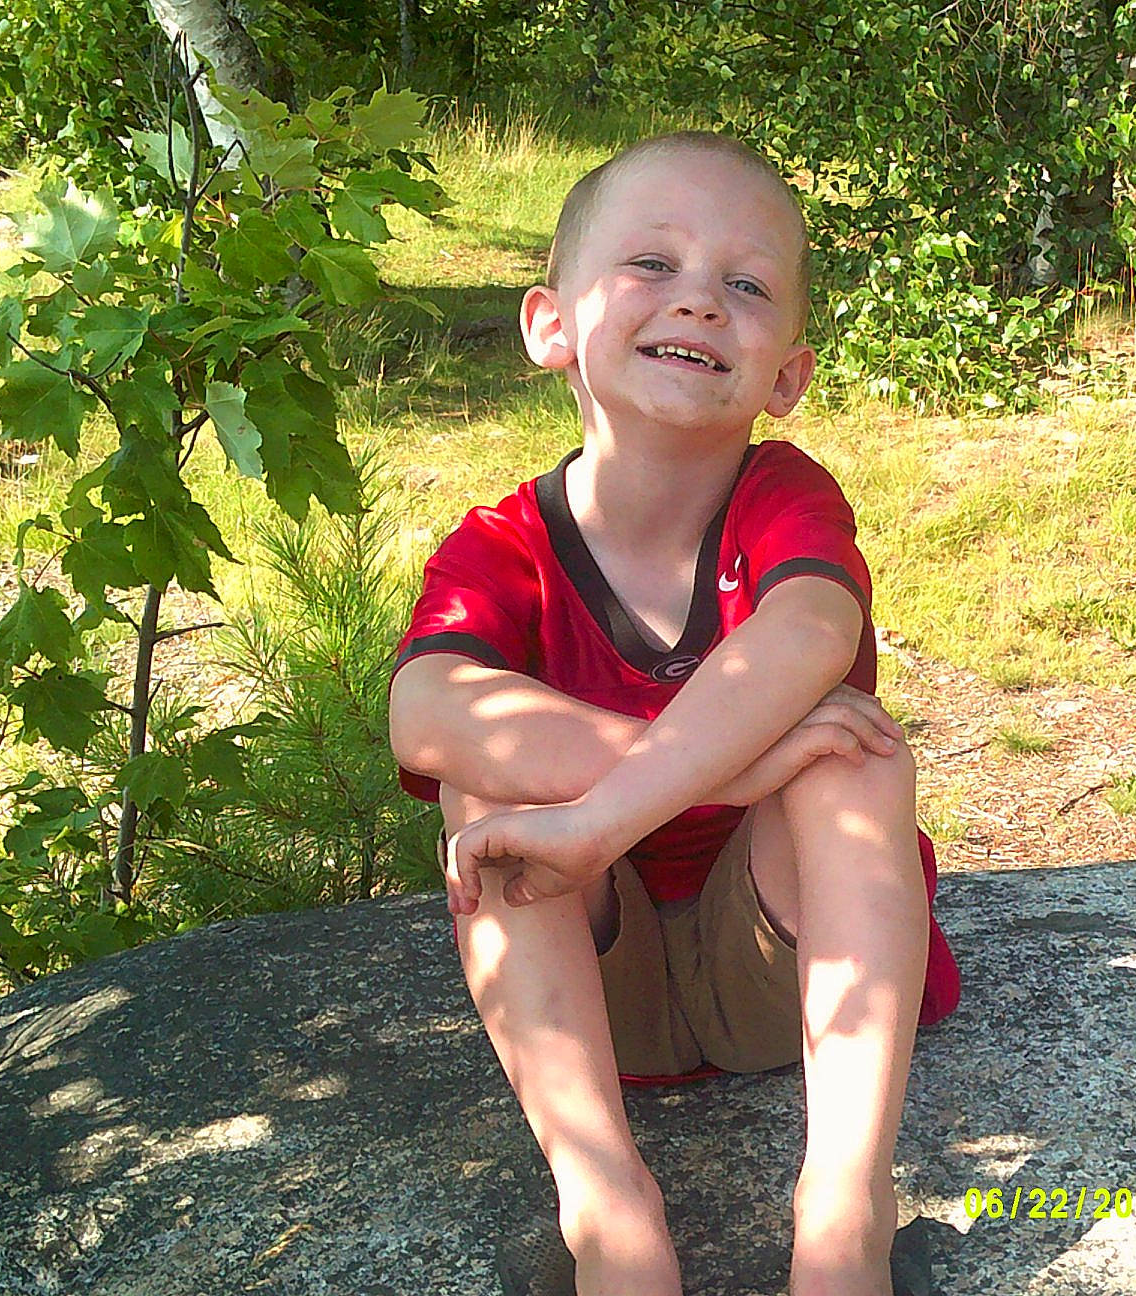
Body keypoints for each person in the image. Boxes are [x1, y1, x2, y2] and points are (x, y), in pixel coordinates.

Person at [386, 130, 960, 1296]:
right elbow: (424, 711)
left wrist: (612, 811)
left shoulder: (782, 497)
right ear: (551, 324)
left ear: (787, 377)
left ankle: (845, 1214)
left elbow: (813, 632)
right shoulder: (502, 547)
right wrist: (720, 768)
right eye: (651, 264)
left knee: (854, 755)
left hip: (788, 971)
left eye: (746, 285)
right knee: (484, 780)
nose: (698, 300)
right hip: (597, 989)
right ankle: (610, 1215)